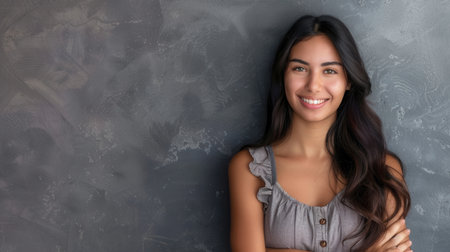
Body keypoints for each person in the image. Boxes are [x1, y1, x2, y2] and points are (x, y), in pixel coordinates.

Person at [228, 15, 411, 252]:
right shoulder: (249, 169)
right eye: (300, 68)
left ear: (348, 81)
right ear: (284, 75)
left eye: (330, 71)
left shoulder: (383, 169)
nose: (313, 85)